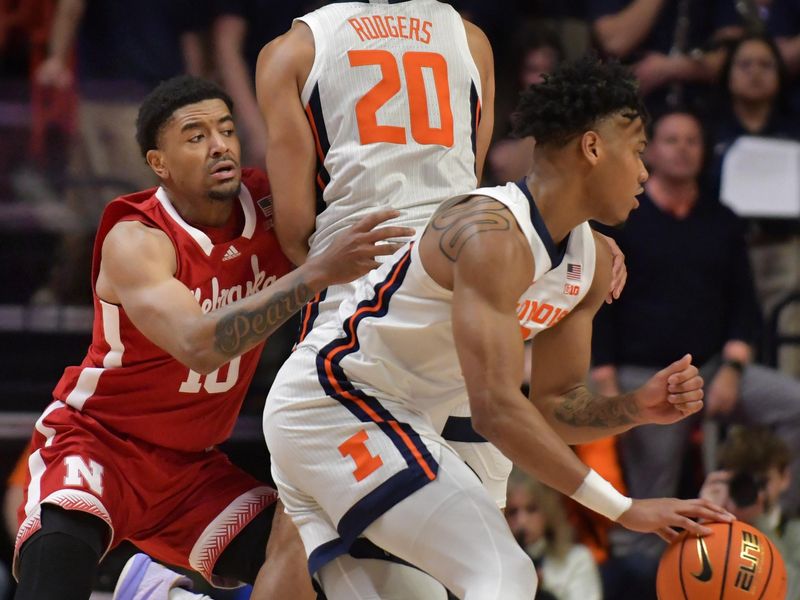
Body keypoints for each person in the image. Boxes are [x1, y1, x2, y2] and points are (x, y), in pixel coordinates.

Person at [263, 57, 734, 599]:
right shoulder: (487, 233)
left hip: (409, 420)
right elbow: (497, 408)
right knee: (504, 575)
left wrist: (634, 408)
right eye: (638, 152)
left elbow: (555, 406)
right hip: (336, 403)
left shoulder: (591, 262)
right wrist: (623, 509)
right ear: (592, 148)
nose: (645, 173)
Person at [11, 75, 412, 600]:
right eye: (196, 136)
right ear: (159, 163)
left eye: (226, 129)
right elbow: (201, 346)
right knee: (54, 577)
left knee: (321, 563)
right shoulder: (137, 238)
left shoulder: (274, 206)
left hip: (193, 468)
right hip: (100, 443)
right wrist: (314, 274)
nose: (219, 144)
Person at [590, 110, 800, 560]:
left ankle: (778, 524)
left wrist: (732, 368)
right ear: (651, 150)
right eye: (671, 140)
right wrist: (605, 379)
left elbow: (746, 303)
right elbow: (599, 306)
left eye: (692, 140)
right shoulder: (627, 217)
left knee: (794, 405)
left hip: (712, 365)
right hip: (643, 371)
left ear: (704, 151)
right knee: (651, 491)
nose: (682, 149)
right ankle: (639, 569)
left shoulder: (721, 220)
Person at [699, 426, 800, 598]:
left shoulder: (794, 533)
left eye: (762, 481)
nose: (752, 490)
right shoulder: (713, 527)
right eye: (743, 481)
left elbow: (791, 594)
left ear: (785, 478)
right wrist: (705, 523)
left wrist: (760, 525)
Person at [505, 470, 603, 600]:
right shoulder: (494, 565)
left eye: (531, 509)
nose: (522, 521)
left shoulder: (577, 560)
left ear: (547, 510)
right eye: (512, 512)